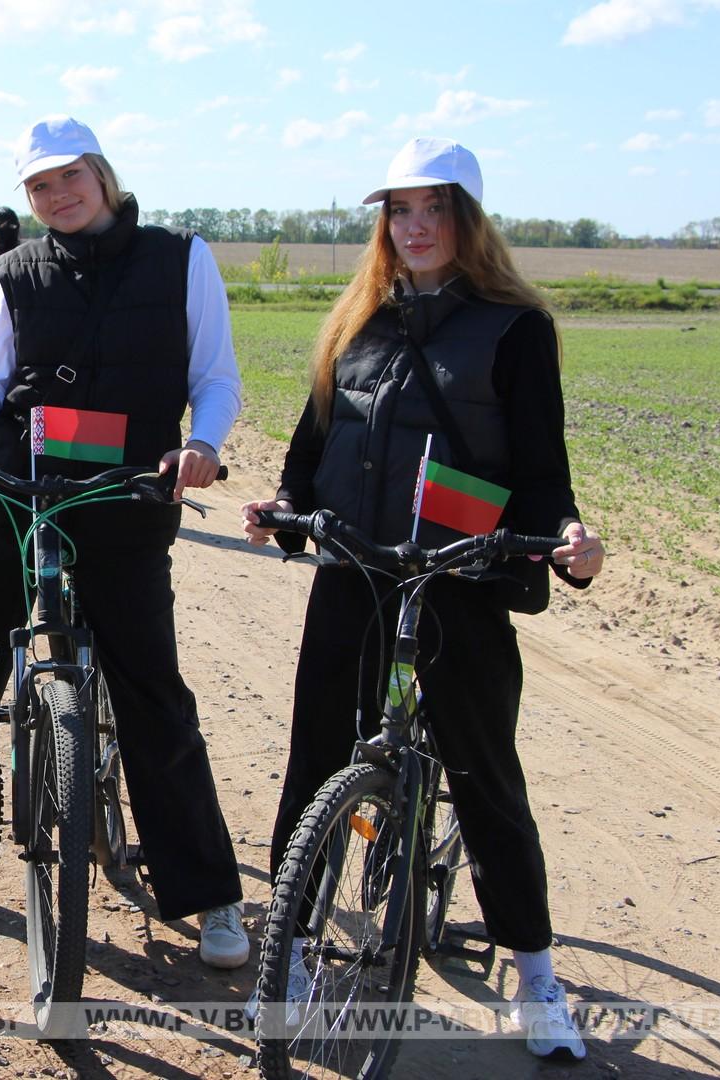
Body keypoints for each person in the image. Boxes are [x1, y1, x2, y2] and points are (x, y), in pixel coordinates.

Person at [241, 137, 603, 1061]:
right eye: (400, 212)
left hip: (461, 580)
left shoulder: (515, 328)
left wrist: (564, 539)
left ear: (466, 222)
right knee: (316, 759)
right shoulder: (356, 323)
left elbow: (541, 469)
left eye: (433, 210)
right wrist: (283, 512)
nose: (415, 227)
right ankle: (286, 954)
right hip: (358, 571)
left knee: (486, 780)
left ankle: (535, 976)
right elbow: (309, 450)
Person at [0, 115, 250, 968]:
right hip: (17, 493)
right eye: (38, 186)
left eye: (69, 178)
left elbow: (215, 377)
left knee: (150, 691)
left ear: (102, 173)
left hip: (124, 496)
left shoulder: (180, 258)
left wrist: (201, 444)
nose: (56, 196)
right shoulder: (14, 271)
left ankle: (208, 895)